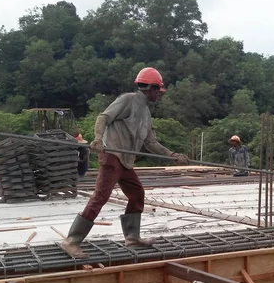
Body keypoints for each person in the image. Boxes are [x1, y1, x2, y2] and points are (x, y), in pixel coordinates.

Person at [60, 67, 189, 258]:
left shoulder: (145, 113)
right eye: (158, 91)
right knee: (100, 197)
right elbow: (103, 117)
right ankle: (71, 241)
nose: (159, 95)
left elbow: (151, 142)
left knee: (137, 194)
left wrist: (173, 155)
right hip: (112, 155)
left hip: (126, 162)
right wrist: (97, 139)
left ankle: (132, 237)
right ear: (151, 88)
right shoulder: (128, 100)